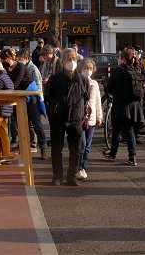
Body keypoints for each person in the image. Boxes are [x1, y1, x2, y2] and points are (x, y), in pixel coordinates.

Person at [45, 48, 90, 185]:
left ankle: (72, 176)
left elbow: (86, 98)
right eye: (69, 59)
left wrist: (81, 113)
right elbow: (47, 98)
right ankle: (57, 176)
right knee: (56, 149)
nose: (72, 62)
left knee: (76, 150)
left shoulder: (82, 80)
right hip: (58, 120)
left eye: (74, 59)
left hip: (76, 119)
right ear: (63, 61)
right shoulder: (55, 79)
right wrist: (52, 115)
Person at [0, 48, 48, 160]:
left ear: (11, 58)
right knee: (20, 123)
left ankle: (43, 148)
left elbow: (14, 84)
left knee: (36, 123)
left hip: (31, 96)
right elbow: (6, 81)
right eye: (3, 60)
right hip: (18, 97)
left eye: (5, 60)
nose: (4, 62)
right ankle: (22, 145)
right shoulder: (6, 67)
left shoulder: (20, 67)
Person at [102, 49, 144, 165]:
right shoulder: (137, 69)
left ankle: (112, 154)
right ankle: (132, 157)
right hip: (134, 106)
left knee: (116, 131)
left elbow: (109, 87)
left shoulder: (117, 71)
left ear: (123, 59)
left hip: (121, 105)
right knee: (130, 130)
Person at [75, 58, 103, 181]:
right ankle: (78, 167)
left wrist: (99, 117)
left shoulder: (95, 84)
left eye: (90, 69)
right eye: (86, 68)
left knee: (87, 146)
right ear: (80, 69)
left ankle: (83, 167)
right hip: (80, 118)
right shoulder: (76, 82)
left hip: (91, 120)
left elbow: (98, 102)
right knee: (83, 143)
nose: (88, 71)